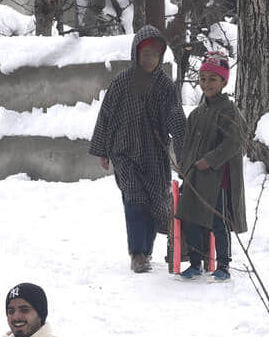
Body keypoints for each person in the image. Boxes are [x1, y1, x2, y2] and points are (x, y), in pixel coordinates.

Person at [89, 25, 186, 274]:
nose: (150, 59)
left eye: (155, 54)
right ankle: (137, 253)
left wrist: (185, 153)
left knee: (156, 202)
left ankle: (149, 249)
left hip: (155, 155)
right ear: (136, 54)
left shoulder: (165, 86)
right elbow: (106, 115)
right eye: (145, 54)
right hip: (124, 153)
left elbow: (176, 117)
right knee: (134, 200)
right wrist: (102, 150)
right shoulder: (122, 82)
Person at [175, 51, 247, 282]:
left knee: (218, 220)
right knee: (191, 217)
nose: (207, 84)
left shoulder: (228, 110)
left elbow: (235, 142)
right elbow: (187, 144)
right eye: (203, 78)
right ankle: (196, 262)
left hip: (219, 179)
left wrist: (211, 160)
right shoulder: (196, 114)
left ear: (224, 81)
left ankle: (224, 265)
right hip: (196, 177)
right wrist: (185, 166)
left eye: (213, 79)